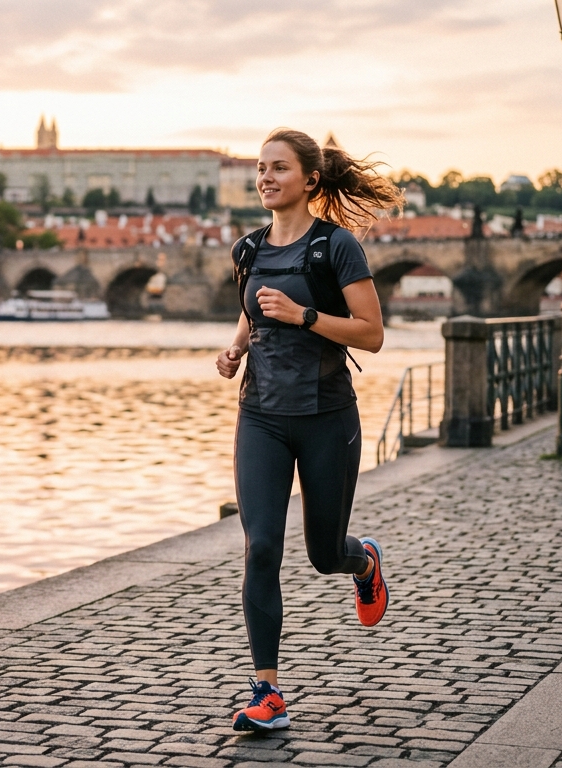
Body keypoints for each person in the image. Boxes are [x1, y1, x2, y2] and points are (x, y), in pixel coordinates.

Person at [215, 128, 400, 732]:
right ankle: (266, 691)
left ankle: (362, 563)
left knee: (324, 553)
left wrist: (307, 316)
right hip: (261, 417)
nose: (264, 177)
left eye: (278, 168)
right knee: (261, 545)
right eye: (259, 168)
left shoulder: (335, 247)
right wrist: (236, 348)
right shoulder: (247, 249)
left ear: (310, 180)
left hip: (326, 418)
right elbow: (252, 308)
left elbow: (371, 333)